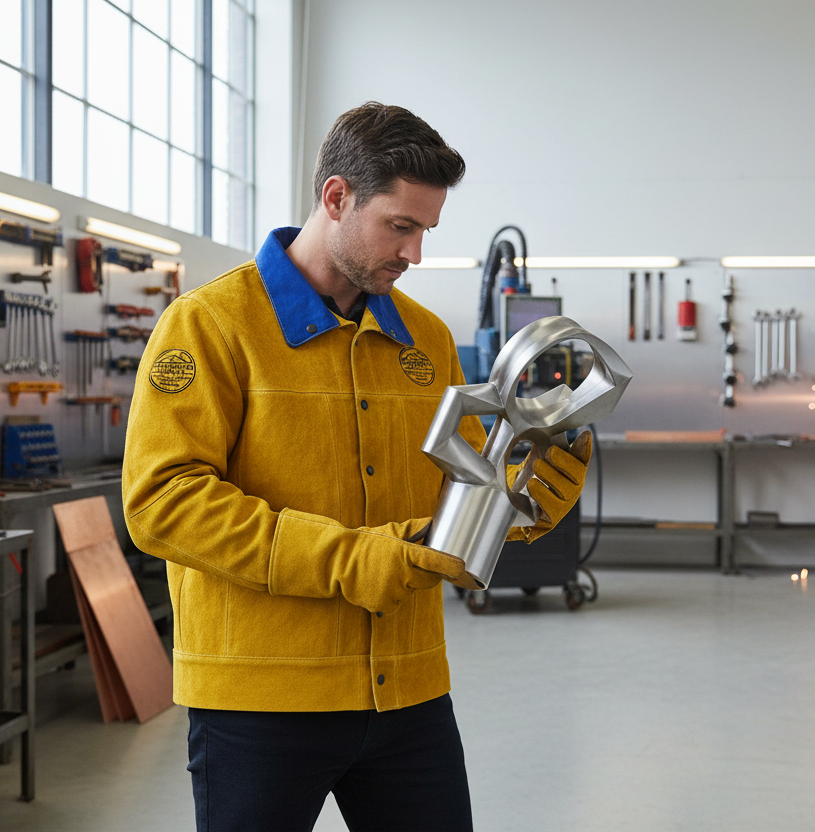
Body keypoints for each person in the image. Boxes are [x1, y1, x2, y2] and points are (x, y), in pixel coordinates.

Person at [121, 102, 591, 831]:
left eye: (425, 230)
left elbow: (449, 506)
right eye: (400, 226)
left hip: (407, 691)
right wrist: (348, 558)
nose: (415, 254)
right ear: (336, 198)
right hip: (261, 702)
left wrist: (517, 507)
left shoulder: (425, 340)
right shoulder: (210, 325)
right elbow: (163, 502)